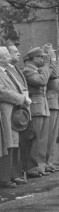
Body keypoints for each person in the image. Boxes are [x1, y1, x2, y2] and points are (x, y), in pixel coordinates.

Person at [0, 46, 32, 188]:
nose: (8, 57)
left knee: (14, 143)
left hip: (13, 112)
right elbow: (2, 92)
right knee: (7, 144)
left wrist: (24, 96)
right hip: (5, 112)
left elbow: (19, 86)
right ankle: (5, 178)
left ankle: (14, 174)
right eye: (6, 55)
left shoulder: (7, 72)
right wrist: (21, 98)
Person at [22, 47, 52, 176]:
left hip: (43, 106)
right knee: (36, 138)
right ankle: (33, 167)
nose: (43, 59)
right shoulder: (28, 70)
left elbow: (52, 75)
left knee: (43, 138)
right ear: (34, 59)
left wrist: (49, 64)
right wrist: (46, 66)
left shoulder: (38, 70)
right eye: (41, 57)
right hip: (36, 107)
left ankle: (41, 165)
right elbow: (41, 81)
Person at [44, 44, 59, 172]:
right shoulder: (47, 66)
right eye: (51, 54)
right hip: (50, 102)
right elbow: (54, 74)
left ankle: (50, 161)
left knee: (53, 135)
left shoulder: (50, 66)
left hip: (55, 102)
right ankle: (46, 162)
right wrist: (52, 58)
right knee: (49, 135)